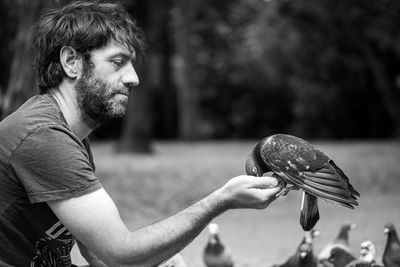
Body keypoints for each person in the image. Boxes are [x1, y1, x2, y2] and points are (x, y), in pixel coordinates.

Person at [0, 1, 282, 266]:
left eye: (131, 63)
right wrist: (221, 200)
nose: (133, 78)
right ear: (71, 62)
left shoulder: (70, 135)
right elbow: (120, 254)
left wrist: (156, 260)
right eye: (117, 62)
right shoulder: (42, 136)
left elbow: (96, 250)